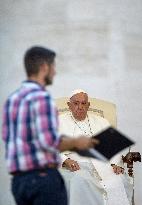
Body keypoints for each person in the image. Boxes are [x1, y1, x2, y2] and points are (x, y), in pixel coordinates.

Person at [1, 47, 98, 205]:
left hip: (19, 183)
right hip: (43, 181)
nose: (55, 72)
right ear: (44, 67)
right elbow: (49, 143)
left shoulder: (12, 99)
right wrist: (76, 143)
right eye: (53, 67)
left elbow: (10, 139)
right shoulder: (41, 97)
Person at [59, 89, 133, 205]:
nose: (80, 107)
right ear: (69, 105)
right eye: (76, 103)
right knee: (80, 181)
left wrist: (114, 164)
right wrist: (65, 160)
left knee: (120, 180)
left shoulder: (101, 122)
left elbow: (114, 146)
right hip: (75, 166)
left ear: (88, 105)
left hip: (103, 165)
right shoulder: (59, 122)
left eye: (84, 103)